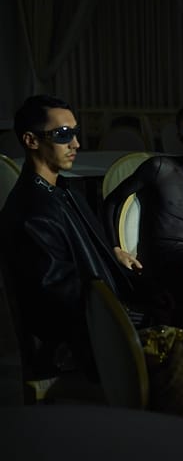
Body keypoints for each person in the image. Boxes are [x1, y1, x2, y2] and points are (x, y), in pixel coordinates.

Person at [0, 95, 131, 378]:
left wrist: (111, 255)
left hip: (101, 325)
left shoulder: (61, 190)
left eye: (75, 132)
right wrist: (130, 326)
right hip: (78, 348)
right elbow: (58, 302)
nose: (76, 144)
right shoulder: (31, 210)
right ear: (31, 140)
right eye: (63, 134)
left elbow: (79, 254)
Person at [103, 103, 183, 327]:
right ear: (179, 138)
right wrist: (115, 248)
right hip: (160, 268)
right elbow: (111, 202)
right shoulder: (160, 168)